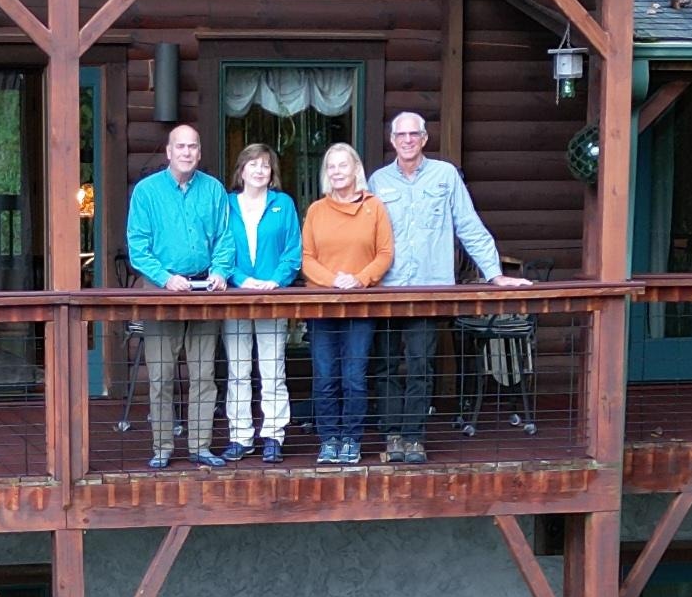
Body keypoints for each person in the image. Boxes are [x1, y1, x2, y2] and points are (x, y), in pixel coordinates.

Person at [369, 106, 521, 465]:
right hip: (386, 288)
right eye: (400, 134)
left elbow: (467, 224)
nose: (407, 140)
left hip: (428, 289)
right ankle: (392, 435)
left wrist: (494, 273)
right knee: (386, 364)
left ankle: (414, 437)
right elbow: (363, 234)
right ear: (392, 141)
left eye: (414, 134)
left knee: (422, 364)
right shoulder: (378, 181)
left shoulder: (445, 175)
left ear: (425, 138)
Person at [122, 120, 231, 465]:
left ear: (199, 152)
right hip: (162, 292)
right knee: (161, 374)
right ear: (169, 152)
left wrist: (220, 271)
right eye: (180, 146)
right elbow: (138, 246)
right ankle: (162, 449)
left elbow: (225, 239)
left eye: (193, 146)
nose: (187, 152)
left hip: (204, 291)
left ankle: (200, 446)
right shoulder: (146, 192)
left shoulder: (213, 190)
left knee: (204, 375)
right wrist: (165, 278)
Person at [298, 141, 390, 465]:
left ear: (355, 169)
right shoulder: (316, 211)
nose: (337, 171)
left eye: (342, 165)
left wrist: (359, 279)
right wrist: (333, 280)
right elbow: (305, 258)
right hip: (322, 305)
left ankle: (351, 438)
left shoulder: (374, 206)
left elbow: (385, 254)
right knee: (325, 376)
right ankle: (329, 439)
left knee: (354, 376)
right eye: (331, 166)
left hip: (360, 306)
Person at [214, 141, 302, 462]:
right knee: (237, 370)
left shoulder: (284, 204)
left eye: (265, 165)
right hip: (236, 297)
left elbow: (293, 250)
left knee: (272, 369)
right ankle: (240, 437)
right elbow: (219, 249)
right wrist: (239, 278)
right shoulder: (226, 204)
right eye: (253, 164)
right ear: (241, 170)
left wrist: (275, 280)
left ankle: (273, 436)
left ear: (272, 172)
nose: (259, 170)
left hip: (272, 297)